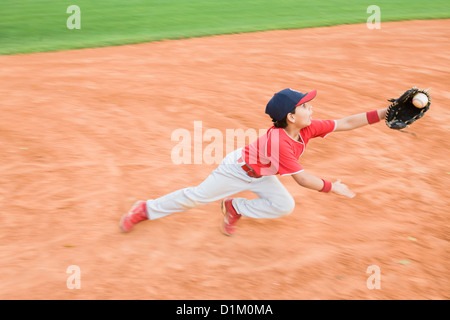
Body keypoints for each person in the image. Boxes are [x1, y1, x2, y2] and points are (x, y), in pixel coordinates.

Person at [120, 88, 387, 236]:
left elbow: (345, 122)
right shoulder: (280, 142)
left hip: (263, 173)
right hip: (237, 170)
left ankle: (235, 207)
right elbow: (303, 180)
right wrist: (332, 187)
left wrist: (386, 112)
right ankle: (145, 208)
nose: (311, 108)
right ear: (291, 117)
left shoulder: (307, 127)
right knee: (196, 197)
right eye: (305, 106)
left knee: (284, 205)